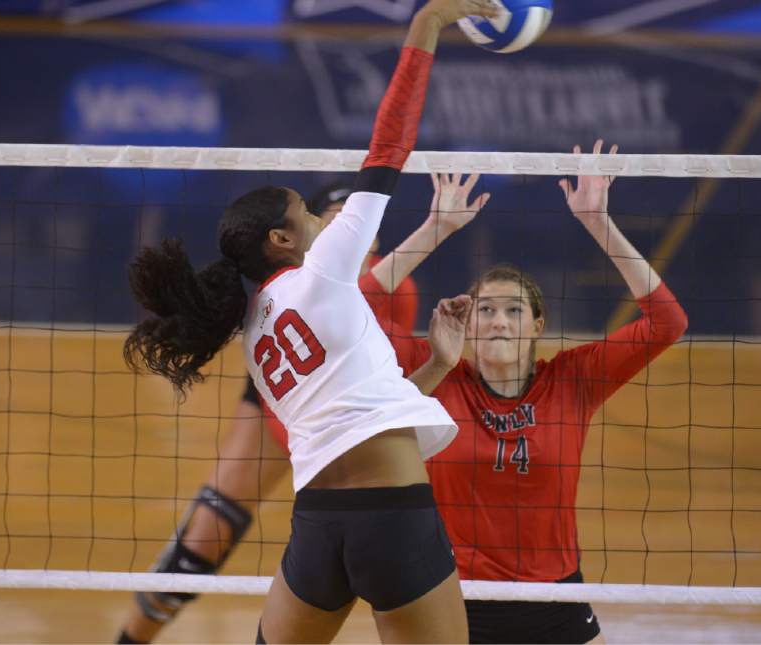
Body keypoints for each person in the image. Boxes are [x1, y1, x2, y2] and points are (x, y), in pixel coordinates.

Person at [122, 2, 502, 642]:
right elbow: (389, 146)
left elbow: (354, 409)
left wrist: (437, 362)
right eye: (309, 213)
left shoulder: (255, 334)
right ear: (282, 238)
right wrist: (425, 27)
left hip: (320, 526)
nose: (326, 220)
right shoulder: (326, 269)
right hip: (395, 518)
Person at [116, 173, 488, 644]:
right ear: (288, 240)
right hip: (305, 415)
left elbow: (384, 399)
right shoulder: (315, 283)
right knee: (211, 525)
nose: (337, 229)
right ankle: (132, 637)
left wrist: (438, 363)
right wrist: (436, 229)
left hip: (343, 428)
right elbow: (360, 287)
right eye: (324, 219)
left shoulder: (390, 292)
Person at [391, 141, 689, 644]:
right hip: (455, 596)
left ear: (538, 325)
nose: (499, 322)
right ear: (466, 323)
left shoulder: (572, 380)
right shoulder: (438, 374)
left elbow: (667, 323)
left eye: (513, 310)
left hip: (556, 595)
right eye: (485, 310)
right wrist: (434, 230)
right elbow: (361, 302)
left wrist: (598, 223)